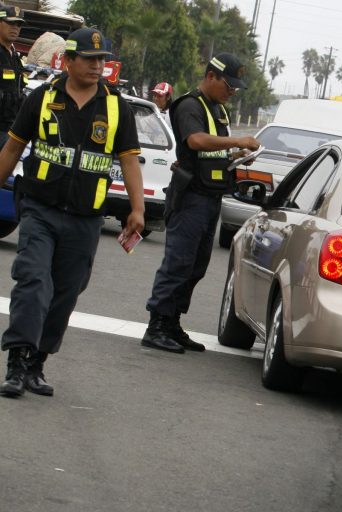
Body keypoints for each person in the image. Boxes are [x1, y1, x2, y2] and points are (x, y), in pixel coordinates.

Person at [0, 27, 145, 398]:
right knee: (33, 281)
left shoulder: (116, 107)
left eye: (103, 60)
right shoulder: (42, 99)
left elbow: (129, 162)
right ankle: (17, 360)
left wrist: (137, 209)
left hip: (85, 218)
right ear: (68, 61)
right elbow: (13, 149)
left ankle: (37, 363)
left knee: (65, 292)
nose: (98, 67)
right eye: (91, 60)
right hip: (40, 210)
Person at [142, 53, 261, 354]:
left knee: (196, 266)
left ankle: (172, 323)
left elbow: (210, 152)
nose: (232, 91)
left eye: (236, 86)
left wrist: (236, 156)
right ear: (211, 76)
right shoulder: (189, 105)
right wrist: (238, 142)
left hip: (209, 197)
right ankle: (156, 325)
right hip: (190, 196)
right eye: (228, 84)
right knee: (178, 262)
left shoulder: (217, 109)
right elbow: (195, 141)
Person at [0, 5, 25, 147]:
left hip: (10, 128)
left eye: (19, 24)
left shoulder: (15, 57)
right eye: (11, 23)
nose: (15, 28)